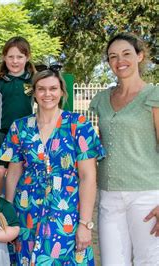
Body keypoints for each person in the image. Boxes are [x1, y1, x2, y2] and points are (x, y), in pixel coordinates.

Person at [0, 68, 105, 265]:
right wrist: (9, 216)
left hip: (66, 208)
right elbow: (12, 175)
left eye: (53, 88)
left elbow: (88, 177)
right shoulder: (20, 127)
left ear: (62, 92)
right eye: (41, 89)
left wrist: (85, 224)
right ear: (34, 93)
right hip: (26, 208)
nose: (47, 94)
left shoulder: (78, 125)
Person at [89, 32, 159, 265]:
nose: (120, 61)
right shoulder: (101, 99)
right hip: (109, 195)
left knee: (148, 261)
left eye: (127, 53)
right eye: (113, 56)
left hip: (147, 195)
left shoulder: (154, 96)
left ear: (140, 56)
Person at [0, 36, 35, 192]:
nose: (15, 61)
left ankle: (12, 203)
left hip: (24, 134)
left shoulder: (33, 82)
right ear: (4, 58)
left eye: (19, 57)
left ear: (27, 57)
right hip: (2, 134)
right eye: (11, 57)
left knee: (18, 172)